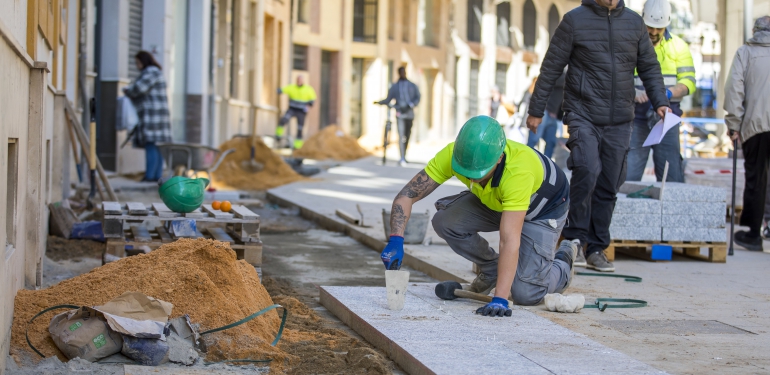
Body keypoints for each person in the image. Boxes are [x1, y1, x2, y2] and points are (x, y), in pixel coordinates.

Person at [526, 0, 669, 272]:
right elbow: (551, 67)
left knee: (610, 182)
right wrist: (536, 109)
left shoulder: (634, 23)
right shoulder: (574, 20)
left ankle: (597, 248)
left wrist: (660, 101)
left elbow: (649, 67)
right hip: (583, 113)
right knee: (587, 170)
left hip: (620, 119)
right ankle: (575, 239)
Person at [380, 116, 575, 316]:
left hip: (542, 210)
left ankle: (563, 261)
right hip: (499, 200)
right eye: (466, 170)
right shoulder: (456, 154)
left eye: (478, 172)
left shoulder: (517, 172)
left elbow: (509, 240)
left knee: (525, 294)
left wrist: (500, 298)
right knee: (445, 221)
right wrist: (396, 240)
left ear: (499, 158)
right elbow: (407, 195)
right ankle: (491, 269)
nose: (472, 177)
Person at [626, 0, 696, 183]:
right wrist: (631, 92)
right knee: (628, 176)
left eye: (659, 28)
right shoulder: (630, 45)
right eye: (650, 27)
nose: (654, 32)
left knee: (670, 177)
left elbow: (689, 81)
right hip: (636, 118)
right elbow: (617, 77)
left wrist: (669, 94)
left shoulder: (679, 46)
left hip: (666, 119)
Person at [725, 16, 770, 251]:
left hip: (757, 125)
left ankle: (754, 234)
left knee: (756, 179)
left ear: (755, 31)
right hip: (758, 123)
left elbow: (735, 89)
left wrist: (733, 123)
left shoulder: (745, 53)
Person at [123, 51, 172, 182]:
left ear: (144, 61)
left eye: (138, 63)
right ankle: (156, 176)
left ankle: (151, 176)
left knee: (151, 144)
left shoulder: (151, 72)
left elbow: (139, 89)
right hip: (158, 116)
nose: (137, 66)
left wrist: (127, 91)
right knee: (158, 146)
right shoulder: (156, 72)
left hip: (153, 116)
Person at [376, 67, 421, 166]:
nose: (403, 74)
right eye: (401, 73)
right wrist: (380, 102)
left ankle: (404, 154)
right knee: (401, 135)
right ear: (398, 73)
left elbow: (418, 97)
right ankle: (402, 157)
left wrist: (410, 105)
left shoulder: (412, 85)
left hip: (409, 113)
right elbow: (388, 99)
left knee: (407, 134)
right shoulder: (395, 86)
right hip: (400, 113)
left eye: (404, 72)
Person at [527, 71, 566, 158]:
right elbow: (547, 82)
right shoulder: (560, 76)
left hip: (553, 116)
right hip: (544, 112)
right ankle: (527, 161)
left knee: (551, 142)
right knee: (534, 139)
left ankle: (546, 166)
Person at [277, 76, 317, 149]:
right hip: (292, 109)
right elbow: (283, 90)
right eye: (298, 80)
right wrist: (279, 90)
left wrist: (309, 105)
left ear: (303, 81)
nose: (299, 81)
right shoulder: (292, 87)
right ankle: (278, 135)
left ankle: (297, 146)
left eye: (300, 80)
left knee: (300, 128)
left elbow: (313, 99)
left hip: (301, 111)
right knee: (283, 120)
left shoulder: (308, 89)